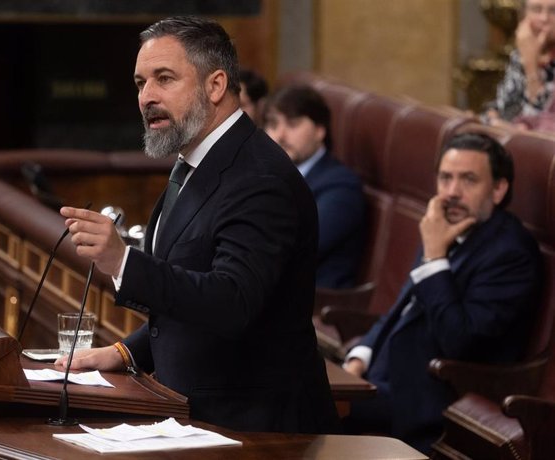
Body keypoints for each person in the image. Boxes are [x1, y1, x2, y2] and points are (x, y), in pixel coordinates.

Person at [56, 16, 340, 434]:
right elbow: (191, 287)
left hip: (260, 432)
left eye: (164, 79)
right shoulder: (196, 161)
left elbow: (231, 302)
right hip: (196, 415)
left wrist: (123, 261)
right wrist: (126, 353)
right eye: (140, 83)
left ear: (216, 85)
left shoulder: (260, 179)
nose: (146, 97)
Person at [341, 133, 542, 454]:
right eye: (445, 178)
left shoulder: (510, 253)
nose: (451, 193)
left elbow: (458, 340)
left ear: (499, 189)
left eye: (468, 180)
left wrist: (435, 258)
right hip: (382, 379)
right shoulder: (445, 227)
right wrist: (358, 358)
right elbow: (403, 306)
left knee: (298, 400)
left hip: (430, 400)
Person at [262, 84, 366, 289]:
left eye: (292, 124)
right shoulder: (265, 173)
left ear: (320, 130)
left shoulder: (342, 187)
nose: (279, 135)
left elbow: (294, 249)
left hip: (313, 305)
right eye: (273, 124)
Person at [483, 0, 555, 127]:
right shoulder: (521, 53)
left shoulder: (528, 55)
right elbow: (505, 108)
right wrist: (492, 117)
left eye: (553, 11)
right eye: (537, 10)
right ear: (524, 16)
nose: (544, 18)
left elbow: (541, 125)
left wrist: (531, 66)